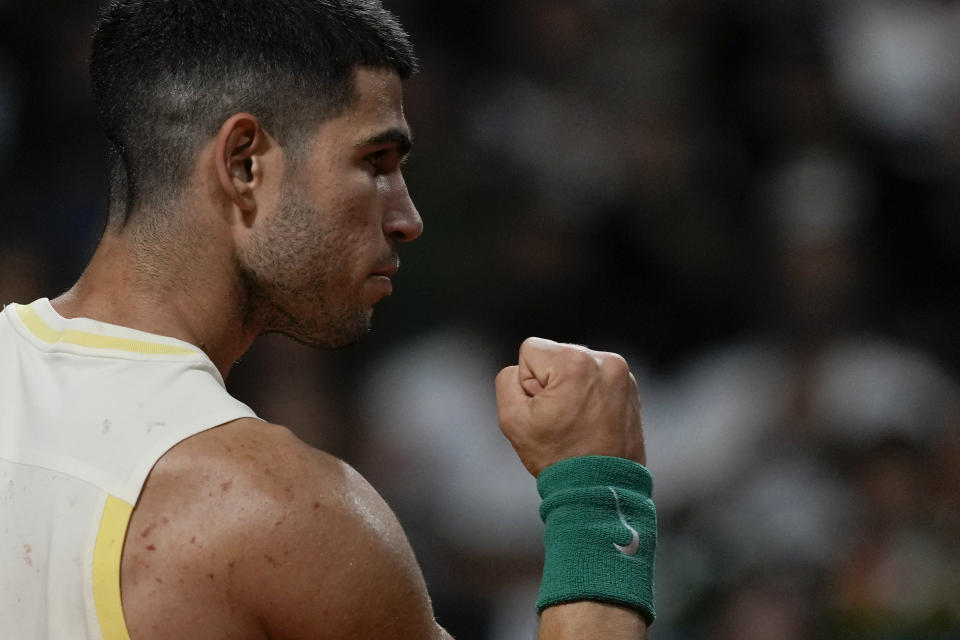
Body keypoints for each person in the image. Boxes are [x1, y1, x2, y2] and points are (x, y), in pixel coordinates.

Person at [0, 1, 656, 638]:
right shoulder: (275, 510)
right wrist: (597, 491)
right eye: (375, 164)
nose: (407, 217)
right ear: (244, 164)